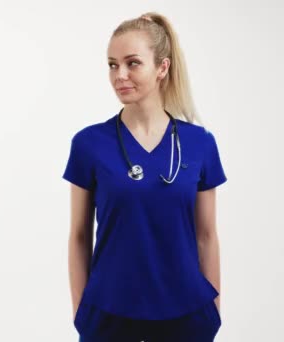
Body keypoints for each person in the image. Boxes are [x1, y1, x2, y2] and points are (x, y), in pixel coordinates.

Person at [62, 12, 227, 342]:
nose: (119, 75)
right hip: (108, 317)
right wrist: (82, 314)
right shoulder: (89, 144)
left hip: (187, 318)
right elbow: (79, 235)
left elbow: (207, 235)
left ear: (162, 68)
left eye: (132, 63)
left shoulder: (199, 144)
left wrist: (213, 312)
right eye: (112, 64)